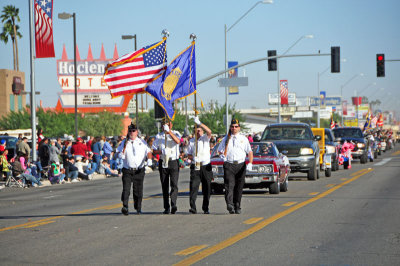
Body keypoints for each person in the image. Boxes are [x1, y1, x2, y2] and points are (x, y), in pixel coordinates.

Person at [217, 118, 253, 214]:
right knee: (229, 185)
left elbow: (249, 152)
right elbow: (219, 150)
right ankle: (229, 204)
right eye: (232, 127)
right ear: (230, 128)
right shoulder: (225, 139)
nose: (234, 128)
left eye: (236, 127)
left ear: (239, 128)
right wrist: (222, 156)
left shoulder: (243, 139)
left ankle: (237, 205)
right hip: (229, 164)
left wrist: (250, 162)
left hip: (241, 165)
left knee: (239, 187)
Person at [116, 123, 152, 215]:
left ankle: (138, 207)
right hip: (127, 169)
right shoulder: (124, 142)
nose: (132, 133)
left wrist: (150, 159)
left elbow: (148, 151)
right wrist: (122, 152)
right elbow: (119, 152)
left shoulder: (142, 142)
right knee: (126, 189)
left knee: (138, 190)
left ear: (137, 132)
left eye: (133, 131)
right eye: (130, 131)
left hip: (139, 170)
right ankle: (125, 206)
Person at [152, 120, 181, 214]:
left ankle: (173, 204)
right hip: (163, 160)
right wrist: (161, 152)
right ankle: (166, 207)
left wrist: (169, 132)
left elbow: (178, 141)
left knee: (174, 184)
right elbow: (154, 150)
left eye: (168, 124)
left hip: (173, 161)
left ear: (171, 125)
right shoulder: (158, 136)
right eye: (165, 125)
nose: (167, 126)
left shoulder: (176, 133)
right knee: (164, 185)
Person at [186, 116, 213, 214]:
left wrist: (199, 123)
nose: (198, 132)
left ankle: (206, 207)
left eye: (200, 130)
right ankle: (193, 207)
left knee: (207, 187)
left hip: (205, 166)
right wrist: (192, 158)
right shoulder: (192, 141)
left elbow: (209, 131)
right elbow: (188, 154)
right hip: (195, 165)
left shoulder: (205, 138)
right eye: (196, 130)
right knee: (194, 187)